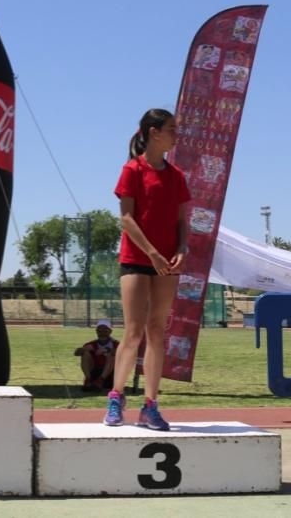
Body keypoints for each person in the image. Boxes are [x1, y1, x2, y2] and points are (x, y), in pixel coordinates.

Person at [104, 109, 190, 431]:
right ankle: (116, 397)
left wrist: (182, 248)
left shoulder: (177, 175)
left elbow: (183, 220)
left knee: (157, 331)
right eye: (171, 129)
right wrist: (152, 252)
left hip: (168, 261)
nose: (176, 135)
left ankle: (151, 405)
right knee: (134, 331)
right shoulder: (132, 169)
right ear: (154, 132)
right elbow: (126, 218)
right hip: (137, 259)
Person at [75, 319, 118, 391]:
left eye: (105, 331)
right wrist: (83, 349)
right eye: (100, 331)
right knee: (85, 354)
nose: (102, 333)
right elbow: (76, 353)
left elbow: (122, 352)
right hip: (94, 372)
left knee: (112, 356)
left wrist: (107, 350)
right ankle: (88, 380)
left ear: (110, 332)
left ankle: (100, 381)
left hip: (110, 375)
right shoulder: (92, 344)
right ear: (96, 332)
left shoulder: (116, 344)